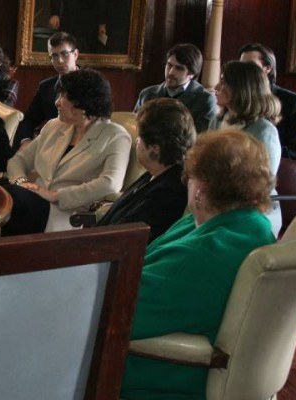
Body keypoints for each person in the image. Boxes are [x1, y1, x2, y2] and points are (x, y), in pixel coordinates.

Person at [120, 130, 277, 399]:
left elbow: (118, 314)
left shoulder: (202, 254)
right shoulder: (253, 225)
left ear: (201, 187)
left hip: (159, 376)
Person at [3, 69, 130, 235]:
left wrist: (57, 196)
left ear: (83, 102)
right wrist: (22, 182)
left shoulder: (115, 136)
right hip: (31, 202)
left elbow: (110, 182)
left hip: (68, 214)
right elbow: (18, 161)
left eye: (63, 96)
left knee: (10, 200)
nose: (57, 102)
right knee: (1, 192)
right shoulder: (54, 126)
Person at [97, 97, 196, 243]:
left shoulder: (170, 191)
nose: (137, 141)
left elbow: (125, 238)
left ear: (155, 148)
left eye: (141, 138)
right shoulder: (156, 173)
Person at [209, 60, 282, 237]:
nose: (217, 86)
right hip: (216, 199)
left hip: (252, 211)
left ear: (243, 88)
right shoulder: (217, 121)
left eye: (224, 82)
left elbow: (259, 185)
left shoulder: (264, 131)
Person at [239, 42, 296, 160]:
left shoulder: (292, 101)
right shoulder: (239, 98)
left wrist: (259, 152)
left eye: (250, 65)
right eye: (241, 66)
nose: (244, 71)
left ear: (267, 68)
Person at [12, 32, 79, 152]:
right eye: (54, 56)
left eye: (64, 54)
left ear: (75, 54)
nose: (59, 61)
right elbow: (29, 120)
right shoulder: (46, 86)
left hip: (79, 146)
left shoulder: (92, 84)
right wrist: (25, 141)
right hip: (50, 146)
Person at [134, 43, 217, 133]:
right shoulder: (147, 94)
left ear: (192, 73)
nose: (171, 72)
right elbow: (134, 128)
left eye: (179, 68)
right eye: (169, 65)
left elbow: (201, 139)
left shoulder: (205, 100)